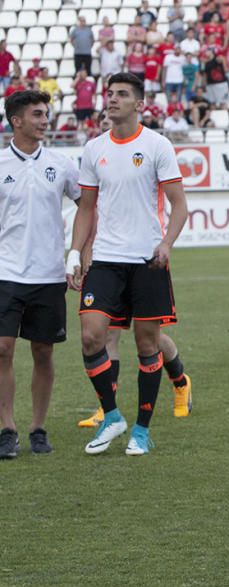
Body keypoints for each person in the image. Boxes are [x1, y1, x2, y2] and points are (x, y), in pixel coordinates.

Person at [65, 73, 189, 457]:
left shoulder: (157, 145)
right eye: (110, 94)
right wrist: (74, 253)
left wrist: (166, 243)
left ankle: (141, 429)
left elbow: (179, 205)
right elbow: (86, 209)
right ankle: (113, 415)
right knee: (91, 335)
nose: (112, 99)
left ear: (139, 103)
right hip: (105, 259)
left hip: (146, 260)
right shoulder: (93, 149)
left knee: (146, 343)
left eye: (121, 94)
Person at [0, 91, 82, 458]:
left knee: (43, 352)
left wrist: (80, 254)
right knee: (2, 349)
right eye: (37, 114)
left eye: (46, 114)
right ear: (16, 121)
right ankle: (7, 429)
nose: (45, 120)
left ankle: (38, 428)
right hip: (5, 272)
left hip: (49, 274)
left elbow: (88, 207)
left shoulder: (62, 164)